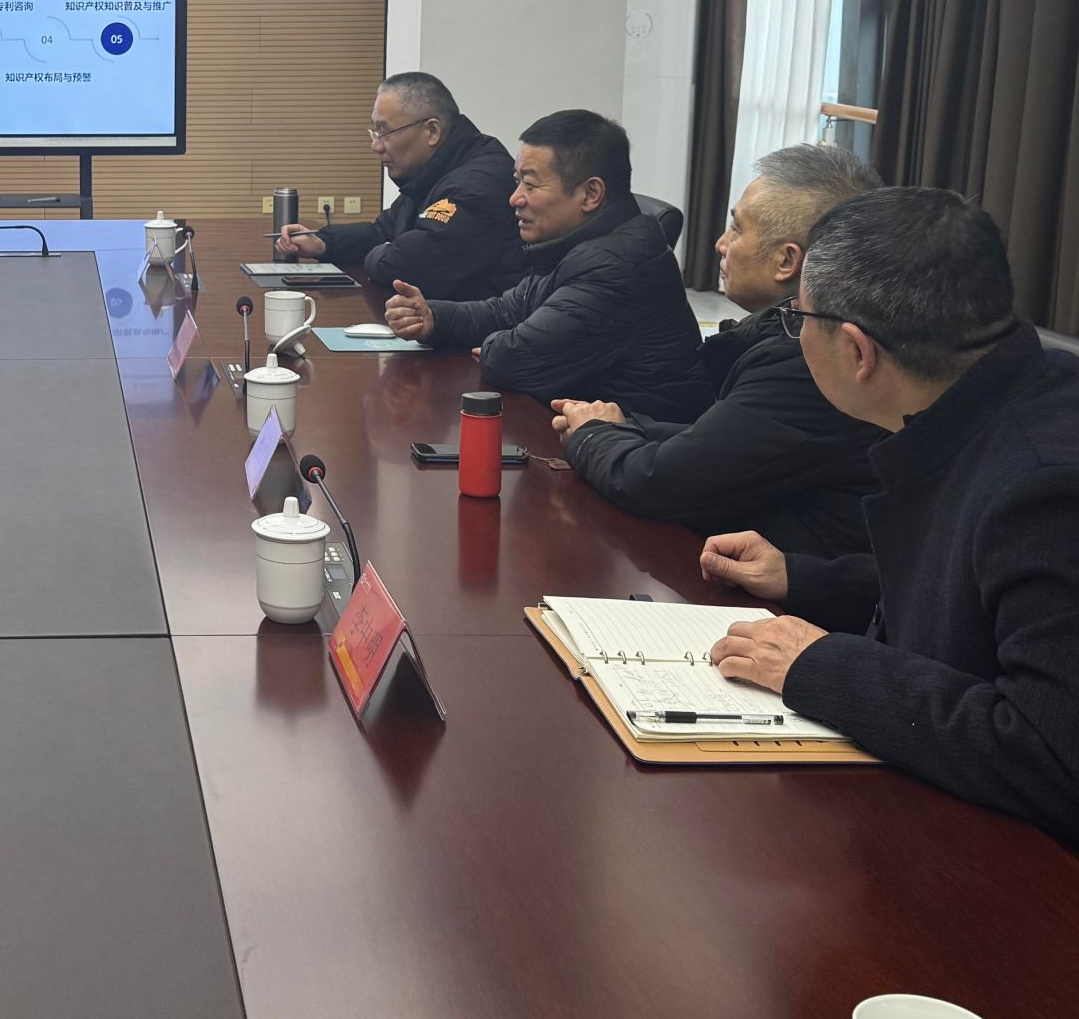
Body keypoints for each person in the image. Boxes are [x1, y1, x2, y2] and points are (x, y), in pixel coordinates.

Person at [700, 188, 1079, 844]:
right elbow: (971, 587)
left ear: (857, 352)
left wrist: (823, 668)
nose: (795, 333)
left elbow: (1049, 755)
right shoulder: (1004, 393)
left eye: (798, 318)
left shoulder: (1041, 486)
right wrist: (805, 578)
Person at [550, 144, 886, 555]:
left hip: (788, 585)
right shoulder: (787, 324)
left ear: (786, 260)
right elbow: (722, 439)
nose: (720, 243)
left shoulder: (812, 358)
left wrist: (593, 435)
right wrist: (623, 426)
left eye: (737, 228)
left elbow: (661, 483)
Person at [383, 109, 712, 422]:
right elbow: (505, 310)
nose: (514, 198)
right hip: (589, 432)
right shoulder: (574, 244)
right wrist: (434, 317)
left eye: (530, 185)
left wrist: (496, 344)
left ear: (590, 194)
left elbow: (513, 360)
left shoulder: (615, 267)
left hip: (642, 443)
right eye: (517, 182)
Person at [274, 73, 524, 298]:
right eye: (375, 133)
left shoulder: (476, 186)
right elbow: (383, 231)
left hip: (480, 332)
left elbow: (407, 268)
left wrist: (385, 252)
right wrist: (323, 243)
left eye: (385, 132)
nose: (376, 146)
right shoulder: (434, 171)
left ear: (432, 131)